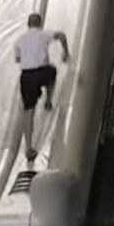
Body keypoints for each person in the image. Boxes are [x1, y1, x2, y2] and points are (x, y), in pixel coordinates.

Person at [14, 13, 69, 162]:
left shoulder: (19, 40)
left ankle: (28, 146)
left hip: (26, 75)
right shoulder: (44, 34)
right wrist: (66, 52)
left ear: (28, 24)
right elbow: (62, 36)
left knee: (28, 110)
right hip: (41, 71)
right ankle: (48, 99)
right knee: (52, 71)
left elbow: (17, 59)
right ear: (40, 23)